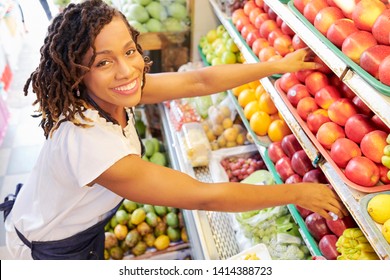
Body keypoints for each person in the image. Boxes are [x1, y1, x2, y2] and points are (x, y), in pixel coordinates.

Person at [0, 0, 348, 260]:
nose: (127, 71)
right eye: (103, 61)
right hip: (47, 247)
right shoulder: (94, 146)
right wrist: (297, 193)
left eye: (130, 51)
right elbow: (204, 195)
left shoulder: (110, 92)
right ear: (79, 72)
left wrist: (275, 66)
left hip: (65, 221)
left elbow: (197, 80)